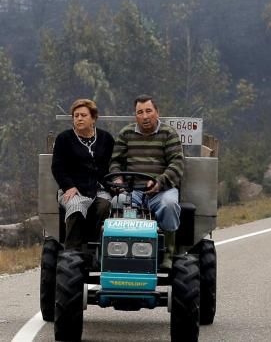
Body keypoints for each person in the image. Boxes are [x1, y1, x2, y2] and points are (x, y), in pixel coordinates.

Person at [110, 94, 184, 268]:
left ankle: (167, 253)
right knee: (117, 203)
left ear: (157, 112)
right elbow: (115, 162)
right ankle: (120, 254)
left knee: (170, 205)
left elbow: (177, 163)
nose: (145, 116)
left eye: (148, 111)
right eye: (140, 112)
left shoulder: (169, 134)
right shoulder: (126, 133)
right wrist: (118, 179)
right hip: (132, 191)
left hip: (162, 190)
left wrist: (160, 182)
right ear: (135, 115)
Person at [51, 98, 115, 251]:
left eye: (83, 115)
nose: (79, 118)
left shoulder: (106, 138)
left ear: (93, 118)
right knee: (76, 206)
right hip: (74, 189)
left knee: (105, 205)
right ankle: (72, 251)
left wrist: (115, 183)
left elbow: (115, 163)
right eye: (76, 115)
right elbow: (57, 167)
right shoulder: (64, 139)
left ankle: (96, 248)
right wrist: (68, 186)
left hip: (100, 189)